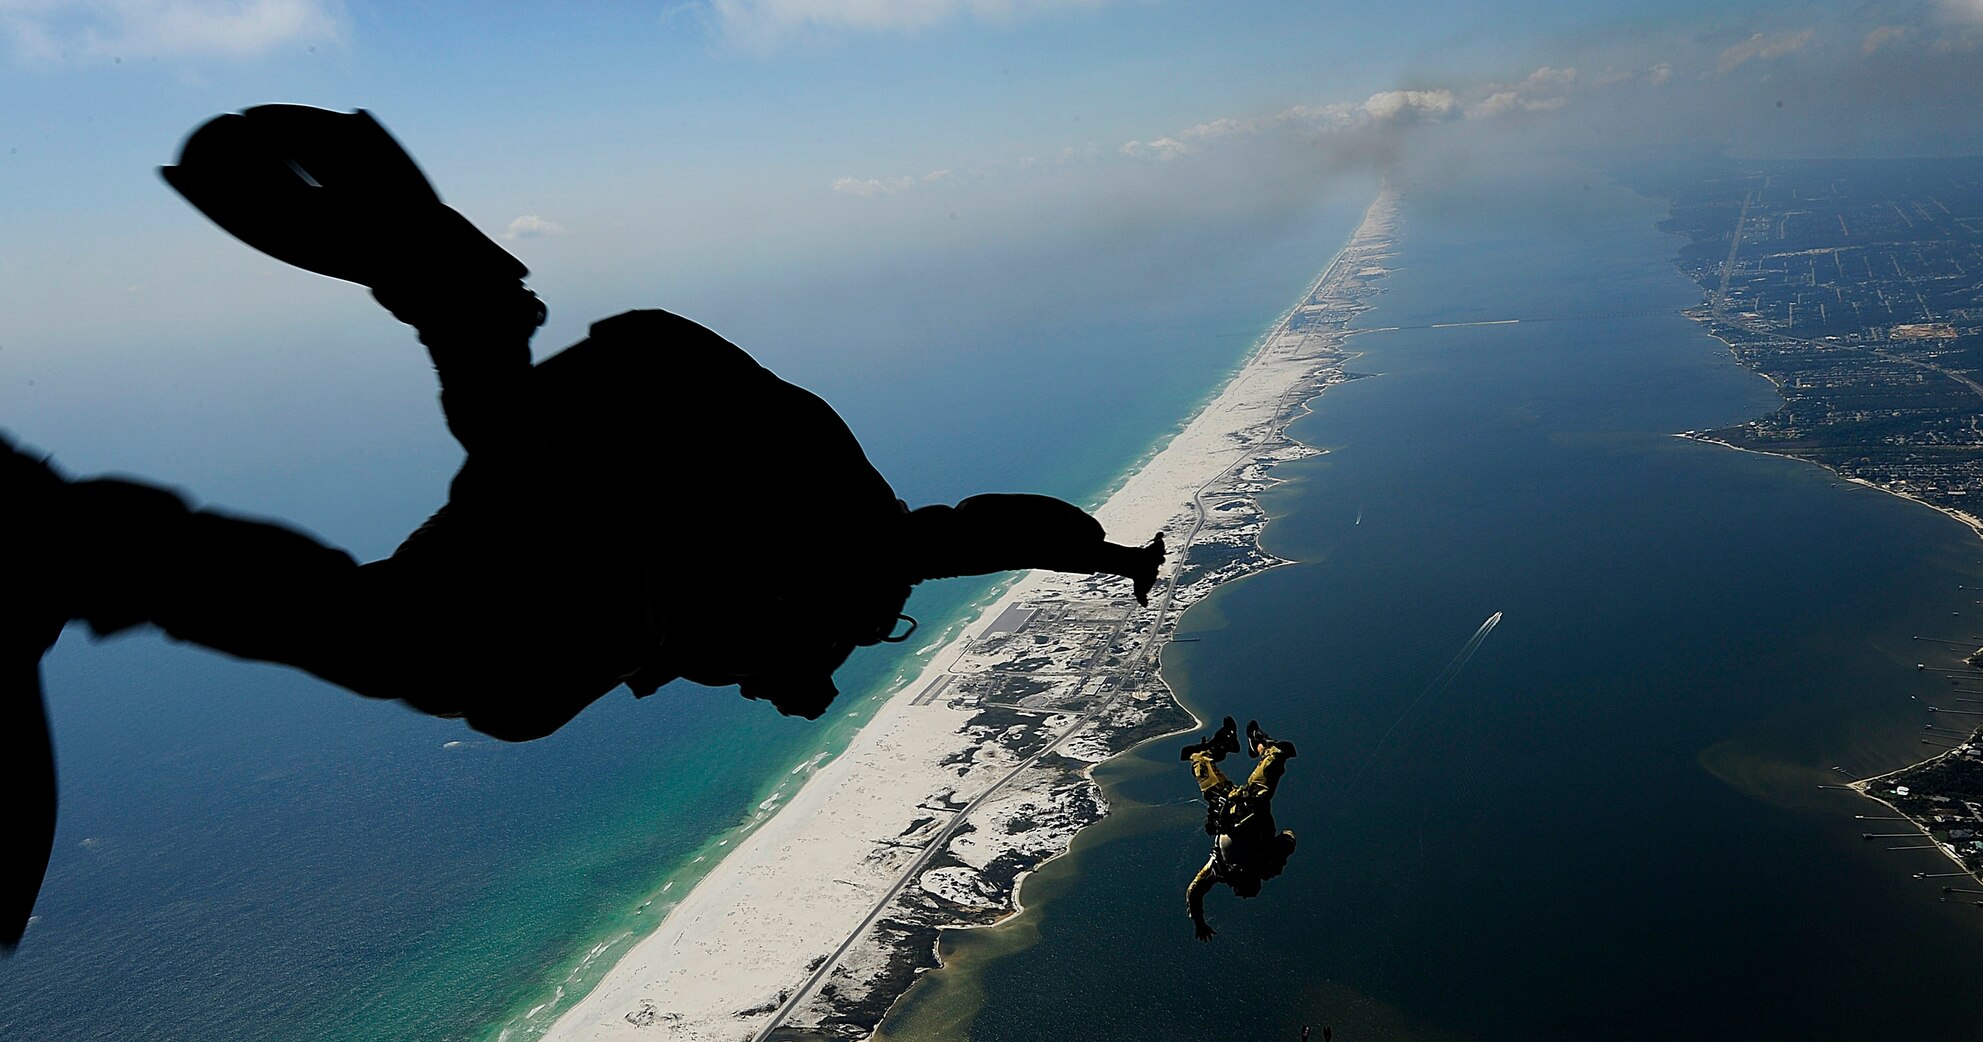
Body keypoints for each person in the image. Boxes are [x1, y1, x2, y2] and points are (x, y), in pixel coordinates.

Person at [1, 104, 1166, 948]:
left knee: (496, 671)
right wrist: (1095, 549)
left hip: (635, 465)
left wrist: (1097, 551)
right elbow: (970, 532)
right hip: (653, 433)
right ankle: (98, 539)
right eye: (782, 688)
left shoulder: (805, 586)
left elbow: (971, 529)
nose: (765, 697)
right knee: (497, 654)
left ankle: (433, 316)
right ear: (802, 645)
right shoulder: (841, 569)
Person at [1180, 715, 1297, 942]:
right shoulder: (1261, 864)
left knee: (1199, 759)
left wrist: (1199, 922)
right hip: (1247, 804)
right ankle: (1257, 743)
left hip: (1230, 805)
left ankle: (1224, 745)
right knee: (1276, 755)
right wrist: (1279, 851)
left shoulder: (1222, 869)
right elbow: (1289, 838)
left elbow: (1194, 892)